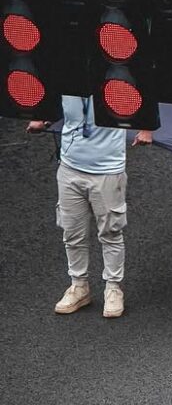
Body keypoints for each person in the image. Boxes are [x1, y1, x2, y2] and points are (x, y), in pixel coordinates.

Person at [28, 96, 152, 319]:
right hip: (69, 168)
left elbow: (143, 93)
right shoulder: (68, 81)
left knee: (111, 233)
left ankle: (113, 288)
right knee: (72, 232)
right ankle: (79, 286)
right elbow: (53, 100)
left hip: (108, 170)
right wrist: (43, 120)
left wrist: (146, 129)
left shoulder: (112, 84)